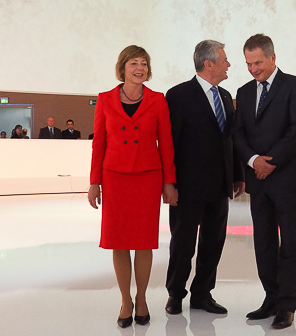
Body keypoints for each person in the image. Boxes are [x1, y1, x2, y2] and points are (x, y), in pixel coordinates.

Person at [88, 45, 177, 328]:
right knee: (118, 242)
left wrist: (169, 182)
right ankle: (126, 300)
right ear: (123, 67)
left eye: (144, 63)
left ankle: (142, 299)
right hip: (114, 178)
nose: (140, 68)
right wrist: (94, 182)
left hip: (147, 179)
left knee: (143, 242)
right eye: (134, 63)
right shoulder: (104, 99)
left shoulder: (158, 100)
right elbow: (98, 143)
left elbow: (167, 144)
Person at [234, 34, 296, 330]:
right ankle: (271, 297)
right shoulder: (243, 91)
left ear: (272, 57)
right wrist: (254, 161)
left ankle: (287, 305)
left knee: (291, 242)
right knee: (263, 241)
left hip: (287, 178)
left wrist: (271, 162)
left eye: (258, 62)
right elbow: (238, 132)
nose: (253, 69)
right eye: (248, 63)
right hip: (259, 179)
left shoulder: (295, 85)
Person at [164, 40, 245, 316]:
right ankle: (175, 294)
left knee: (213, 243)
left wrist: (237, 174)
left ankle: (202, 294)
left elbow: (230, 140)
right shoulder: (177, 96)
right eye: (224, 59)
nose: (229, 64)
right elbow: (169, 143)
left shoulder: (224, 96)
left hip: (219, 185)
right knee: (182, 243)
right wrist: (169, 183)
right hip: (187, 188)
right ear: (208, 63)